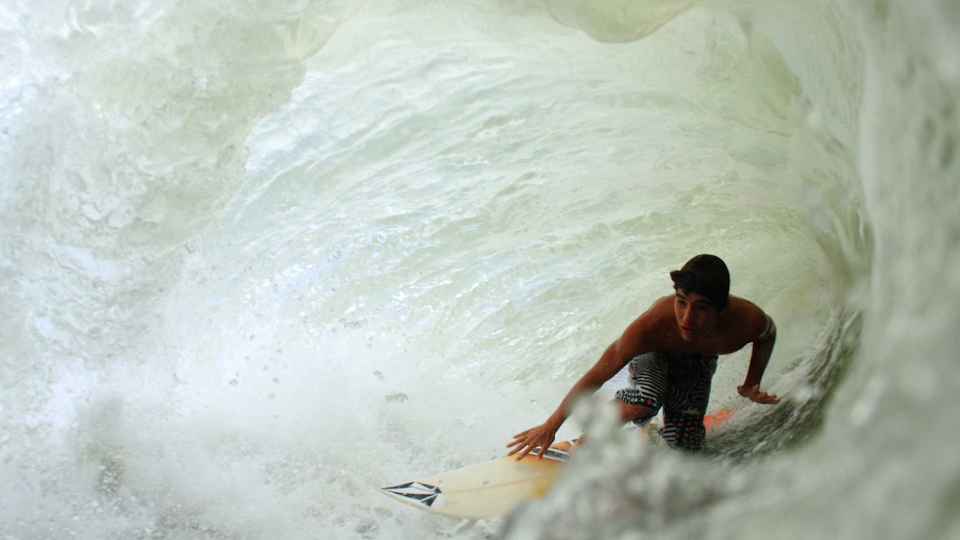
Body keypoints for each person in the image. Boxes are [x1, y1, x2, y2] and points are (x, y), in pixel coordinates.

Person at [507, 254, 780, 459]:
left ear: (721, 310)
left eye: (701, 308)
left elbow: (768, 334)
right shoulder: (653, 326)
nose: (686, 317)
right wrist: (550, 426)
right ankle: (586, 442)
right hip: (655, 354)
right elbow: (597, 374)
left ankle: (651, 435)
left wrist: (750, 383)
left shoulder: (746, 322)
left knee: (685, 451)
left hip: (698, 362)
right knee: (646, 400)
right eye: (681, 302)